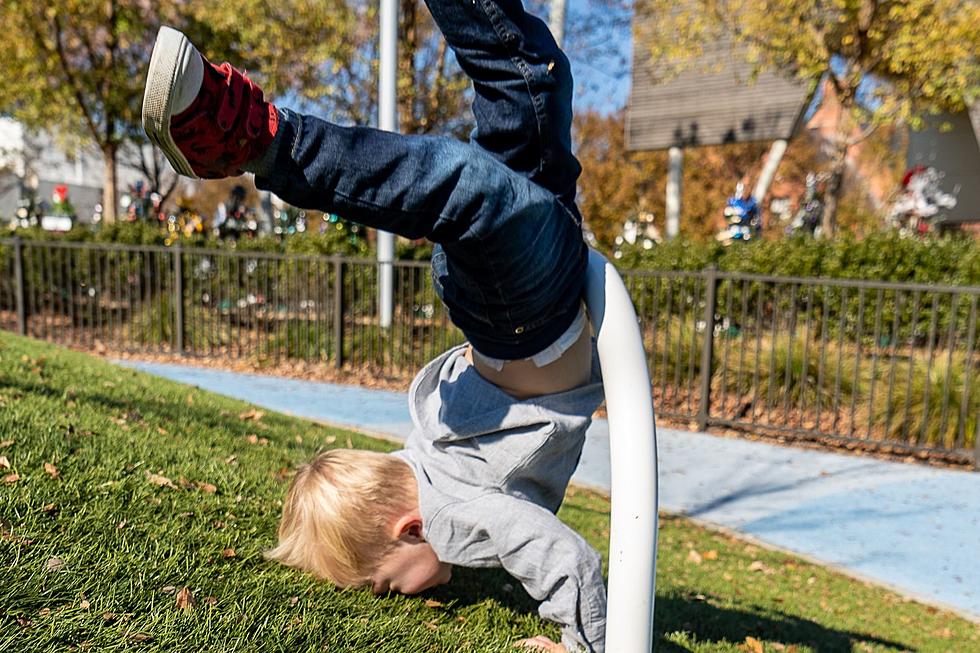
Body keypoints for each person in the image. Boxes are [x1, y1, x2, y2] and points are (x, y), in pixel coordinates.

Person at [142, 0, 605, 649]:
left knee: (459, 186)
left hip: (524, 316)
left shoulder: (450, 516)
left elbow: (566, 556)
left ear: (410, 529)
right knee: (528, 76)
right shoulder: (416, 469)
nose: (406, 594)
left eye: (388, 585)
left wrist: (579, 642)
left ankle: (255, 138)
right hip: (508, 313)